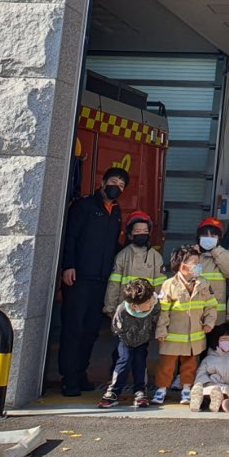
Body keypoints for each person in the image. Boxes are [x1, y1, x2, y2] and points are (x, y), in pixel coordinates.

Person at [59, 167, 129, 396]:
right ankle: (69, 378)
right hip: (79, 277)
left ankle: (81, 373)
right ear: (103, 182)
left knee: (90, 330)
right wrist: (68, 265)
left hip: (101, 280)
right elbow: (71, 236)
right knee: (74, 329)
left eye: (121, 185)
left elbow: (113, 245)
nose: (117, 187)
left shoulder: (115, 212)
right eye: (114, 182)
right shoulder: (84, 206)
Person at [153, 245, 217, 406]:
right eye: (194, 263)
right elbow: (163, 311)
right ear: (183, 266)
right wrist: (161, 330)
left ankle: (187, 388)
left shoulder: (203, 283)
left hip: (194, 334)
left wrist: (209, 322)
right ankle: (161, 388)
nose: (198, 266)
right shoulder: (169, 284)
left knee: (190, 364)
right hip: (172, 334)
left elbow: (211, 306)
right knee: (167, 364)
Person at [98, 277, 158, 408]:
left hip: (143, 339)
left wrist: (149, 336)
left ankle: (140, 391)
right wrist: (129, 341)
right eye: (147, 302)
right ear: (134, 306)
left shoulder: (155, 305)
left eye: (151, 300)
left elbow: (156, 323)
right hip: (125, 340)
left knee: (140, 361)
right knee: (124, 360)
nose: (151, 303)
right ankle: (113, 392)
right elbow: (117, 329)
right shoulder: (122, 311)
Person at [104, 210, 165, 316]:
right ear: (130, 234)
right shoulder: (122, 256)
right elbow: (114, 285)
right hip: (124, 309)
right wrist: (110, 308)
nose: (141, 233)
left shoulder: (156, 257)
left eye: (145, 230)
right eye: (137, 231)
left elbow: (161, 287)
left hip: (148, 311)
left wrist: (159, 309)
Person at [190, 322, 229, 413]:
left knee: (226, 392)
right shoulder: (209, 358)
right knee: (203, 390)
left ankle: (216, 402)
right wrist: (207, 383)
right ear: (217, 340)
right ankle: (198, 401)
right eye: (224, 339)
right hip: (211, 385)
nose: (227, 341)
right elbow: (201, 374)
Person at [196, 217, 229, 318]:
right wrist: (192, 255)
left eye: (213, 235)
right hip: (195, 312)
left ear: (219, 238)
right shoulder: (193, 255)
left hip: (216, 315)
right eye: (205, 235)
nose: (209, 238)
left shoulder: (224, 254)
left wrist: (215, 251)